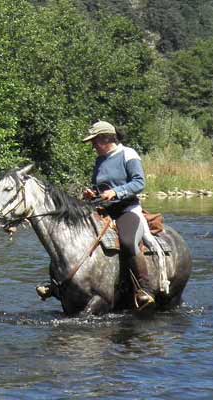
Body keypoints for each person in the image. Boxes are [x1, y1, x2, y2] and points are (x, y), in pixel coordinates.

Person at [81, 120, 157, 309]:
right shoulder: (100, 160)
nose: (93, 146)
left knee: (128, 242)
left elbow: (139, 183)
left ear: (107, 139)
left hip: (126, 209)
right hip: (104, 210)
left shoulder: (128, 154)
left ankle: (144, 289)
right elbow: (101, 188)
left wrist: (117, 192)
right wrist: (93, 194)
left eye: (95, 142)